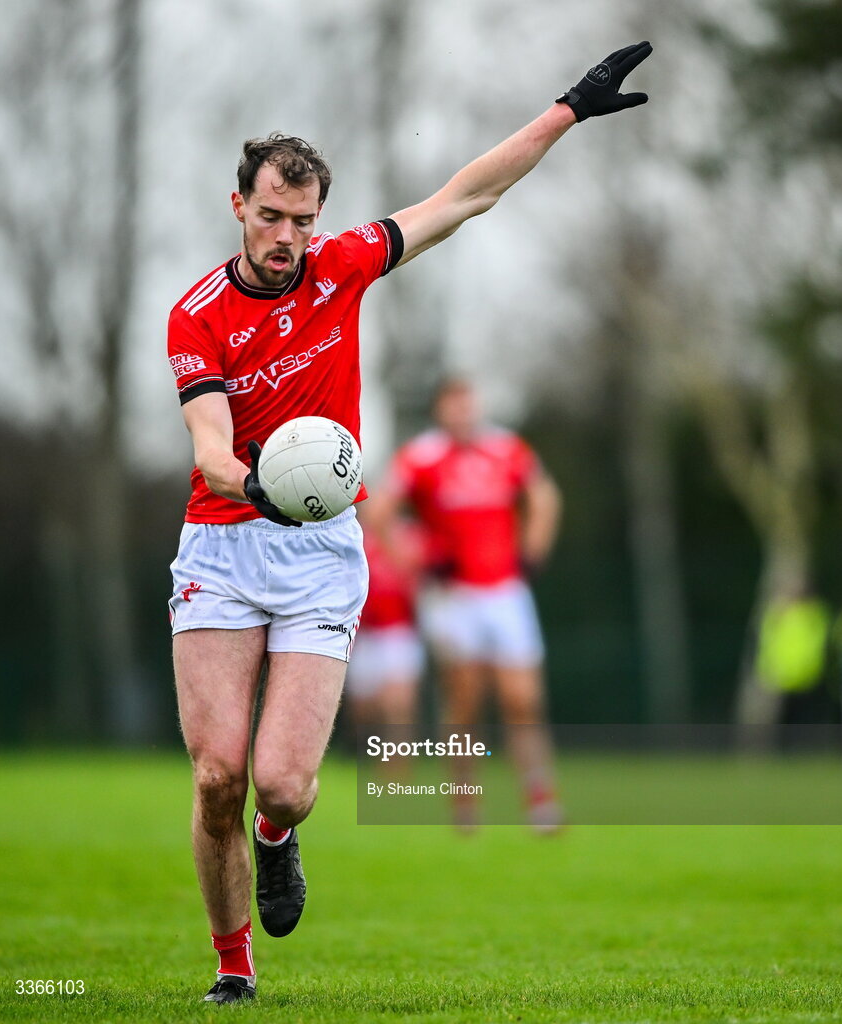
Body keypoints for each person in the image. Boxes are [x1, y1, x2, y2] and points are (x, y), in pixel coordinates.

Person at [166, 42, 652, 1002]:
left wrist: (567, 110)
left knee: (283, 787)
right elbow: (210, 445)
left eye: (302, 220)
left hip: (319, 556)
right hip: (222, 545)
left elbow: (466, 197)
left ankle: (280, 838)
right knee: (218, 775)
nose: (287, 237)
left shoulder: (342, 268)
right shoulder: (198, 315)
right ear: (239, 208)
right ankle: (232, 968)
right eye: (270, 217)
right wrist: (255, 481)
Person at [371, 379, 564, 831]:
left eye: (467, 405)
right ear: (440, 411)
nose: (461, 415)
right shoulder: (422, 457)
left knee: (524, 698)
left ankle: (540, 800)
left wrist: (533, 551)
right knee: (465, 701)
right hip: (453, 596)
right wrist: (413, 562)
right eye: (452, 407)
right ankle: (465, 804)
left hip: (505, 592)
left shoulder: (506, 449)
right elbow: (380, 512)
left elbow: (544, 497)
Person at [345, 513, 426, 730]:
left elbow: (419, 580)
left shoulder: (411, 536)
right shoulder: (355, 535)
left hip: (398, 632)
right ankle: (367, 757)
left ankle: (396, 761)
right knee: (363, 712)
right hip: (365, 634)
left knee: (398, 707)